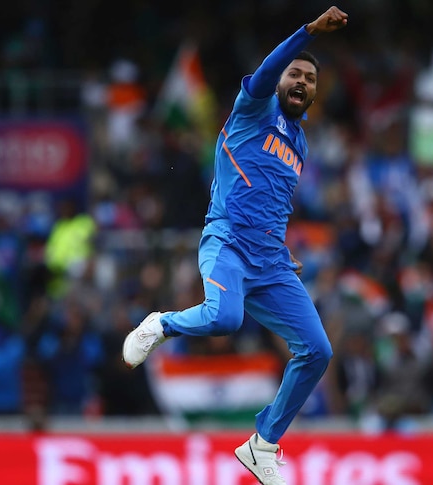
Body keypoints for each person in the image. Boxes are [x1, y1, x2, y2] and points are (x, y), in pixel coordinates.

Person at [123, 7, 348, 484]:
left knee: (317, 351)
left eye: (309, 78)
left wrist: (283, 252)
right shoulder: (254, 108)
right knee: (225, 318)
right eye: (295, 73)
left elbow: (273, 199)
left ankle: (263, 442)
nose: (301, 82)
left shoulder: (300, 143)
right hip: (226, 241)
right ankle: (160, 325)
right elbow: (267, 70)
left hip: (270, 261)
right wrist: (307, 33)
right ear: (280, 78)